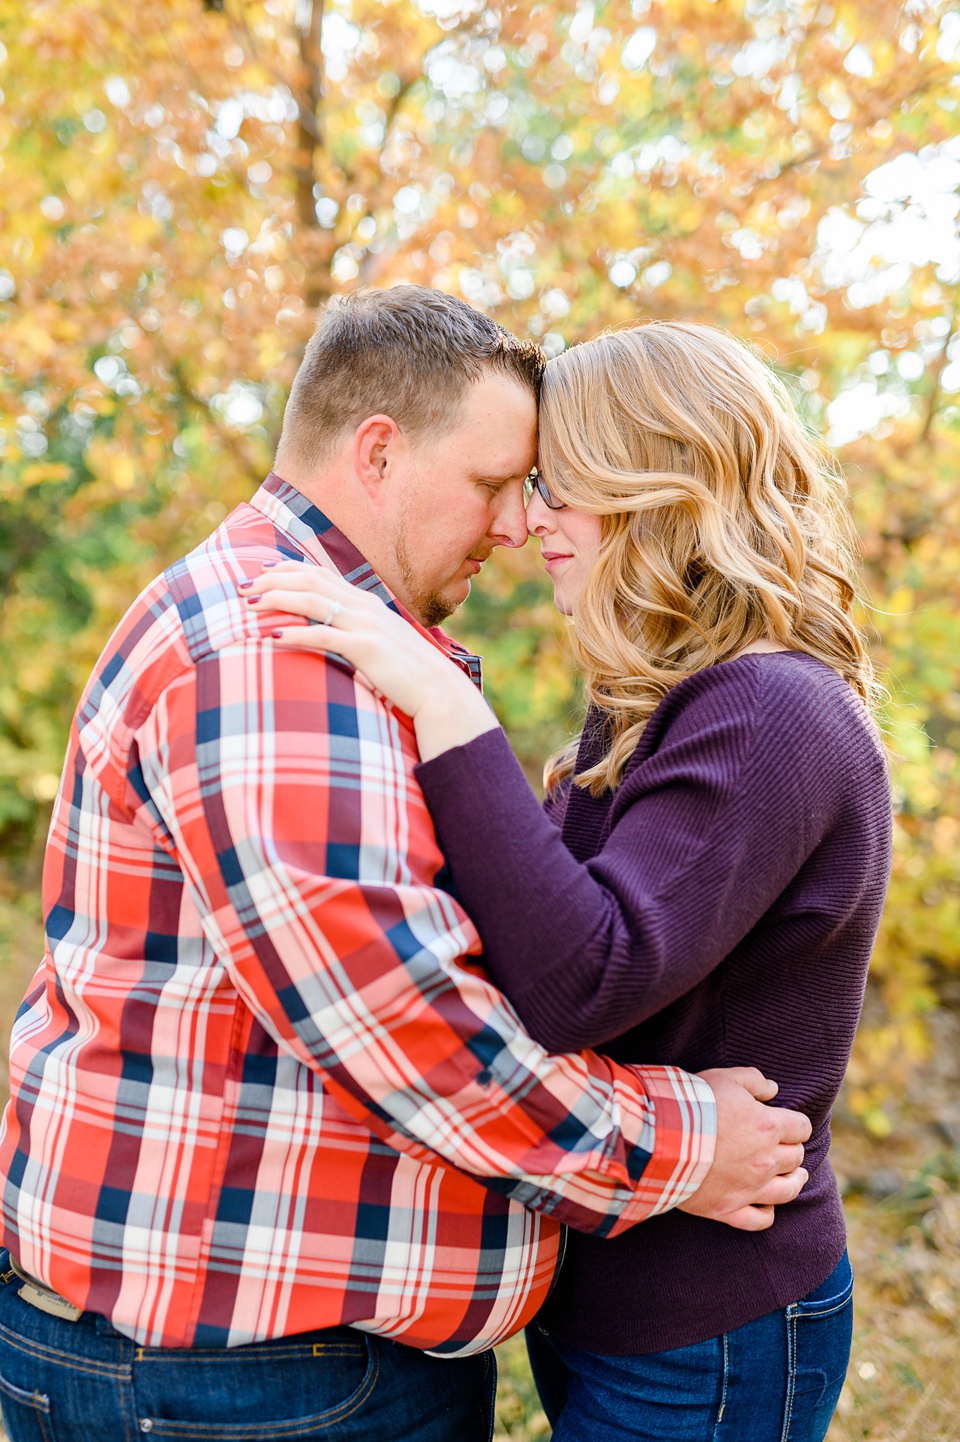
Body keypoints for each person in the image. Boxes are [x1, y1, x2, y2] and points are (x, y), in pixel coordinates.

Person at [0, 290, 810, 1442]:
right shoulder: (274, 654)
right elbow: (402, 1021)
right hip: (244, 1384)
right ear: (378, 451)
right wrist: (680, 1145)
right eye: (494, 482)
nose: (519, 525)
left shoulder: (320, 631)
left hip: (251, 1369)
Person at [244, 317, 892, 1442]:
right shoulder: (663, 695)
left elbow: (582, 976)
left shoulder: (769, 712)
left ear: (663, 488)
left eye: (563, 486)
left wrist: (446, 707)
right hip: (621, 1299)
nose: (530, 519)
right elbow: (514, 927)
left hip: (710, 1324)